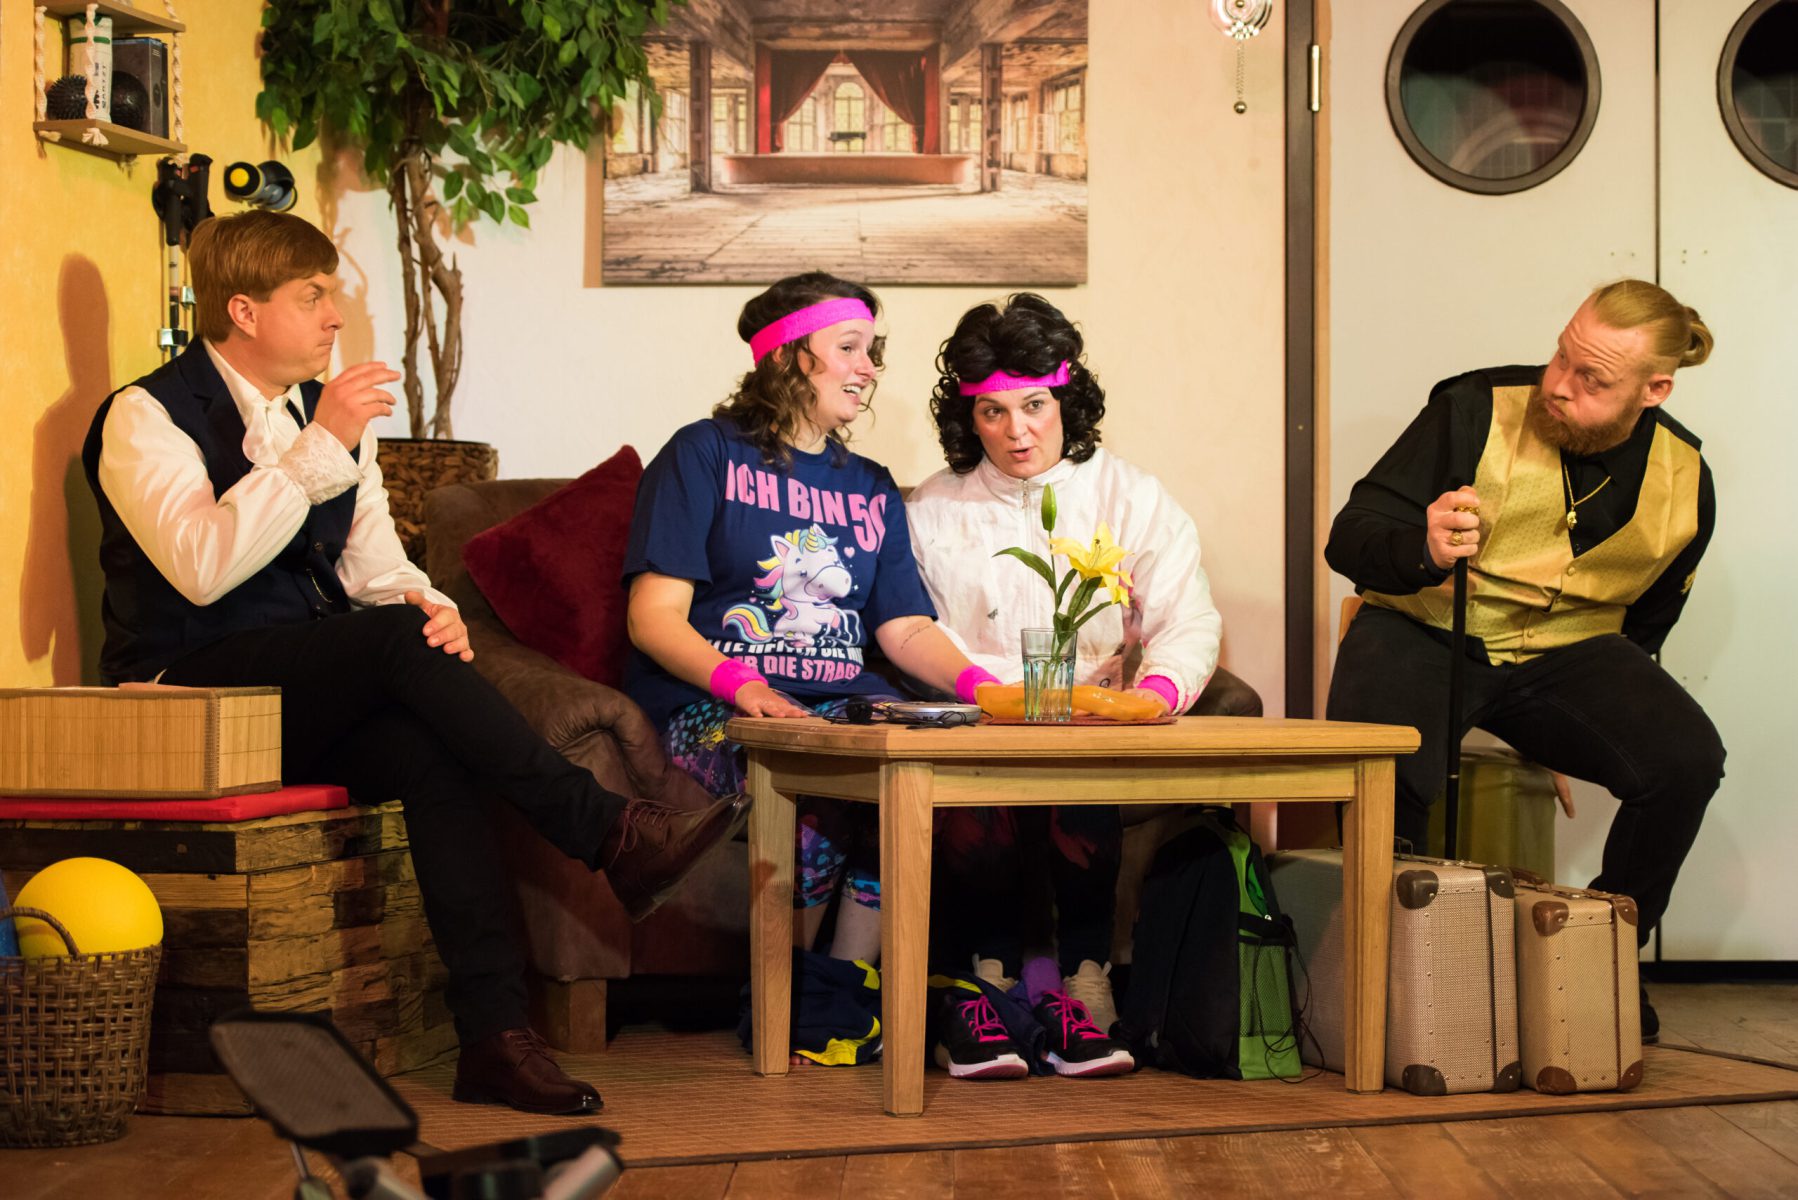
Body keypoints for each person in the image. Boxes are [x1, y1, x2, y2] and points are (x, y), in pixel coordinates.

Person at [83, 210, 748, 1116]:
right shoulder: (145, 415)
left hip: (291, 696)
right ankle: (606, 830)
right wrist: (320, 450)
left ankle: (495, 1039)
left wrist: (429, 606)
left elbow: (375, 568)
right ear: (243, 310)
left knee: (429, 750)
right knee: (393, 649)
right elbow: (200, 569)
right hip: (184, 693)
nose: (334, 316)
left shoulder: (324, 420)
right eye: (312, 297)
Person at [1325, 279, 1723, 1042]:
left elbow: (1649, 618)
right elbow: (1350, 537)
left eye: (1592, 378)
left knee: (1686, 760)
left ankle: (1604, 959)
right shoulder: (1474, 407)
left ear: (1654, 390)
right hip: (1425, 626)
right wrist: (1422, 547)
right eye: (1561, 356)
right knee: (1385, 774)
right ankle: (1391, 981)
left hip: (1564, 655)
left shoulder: (1685, 481)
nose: (1559, 385)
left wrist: (1583, 722)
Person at [907, 293, 1259, 1079]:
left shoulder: (1131, 497)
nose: (1018, 431)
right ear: (969, 418)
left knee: (1083, 772)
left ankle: (1085, 975)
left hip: (1093, 725)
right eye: (993, 412)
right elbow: (912, 630)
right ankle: (985, 982)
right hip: (978, 732)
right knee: (982, 788)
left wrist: (1155, 693)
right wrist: (987, 698)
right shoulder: (931, 509)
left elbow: (1187, 616)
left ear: (1067, 399)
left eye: (1034, 406)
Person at [622, 272, 993, 992]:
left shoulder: (872, 485)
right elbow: (652, 616)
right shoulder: (704, 454)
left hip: (843, 703)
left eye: (872, 350)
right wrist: (746, 687)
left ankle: (841, 995)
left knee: (910, 792)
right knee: (820, 794)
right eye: (849, 347)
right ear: (788, 355)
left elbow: (905, 628)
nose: (870, 368)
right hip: (717, 704)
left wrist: (984, 687)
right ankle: (785, 1000)